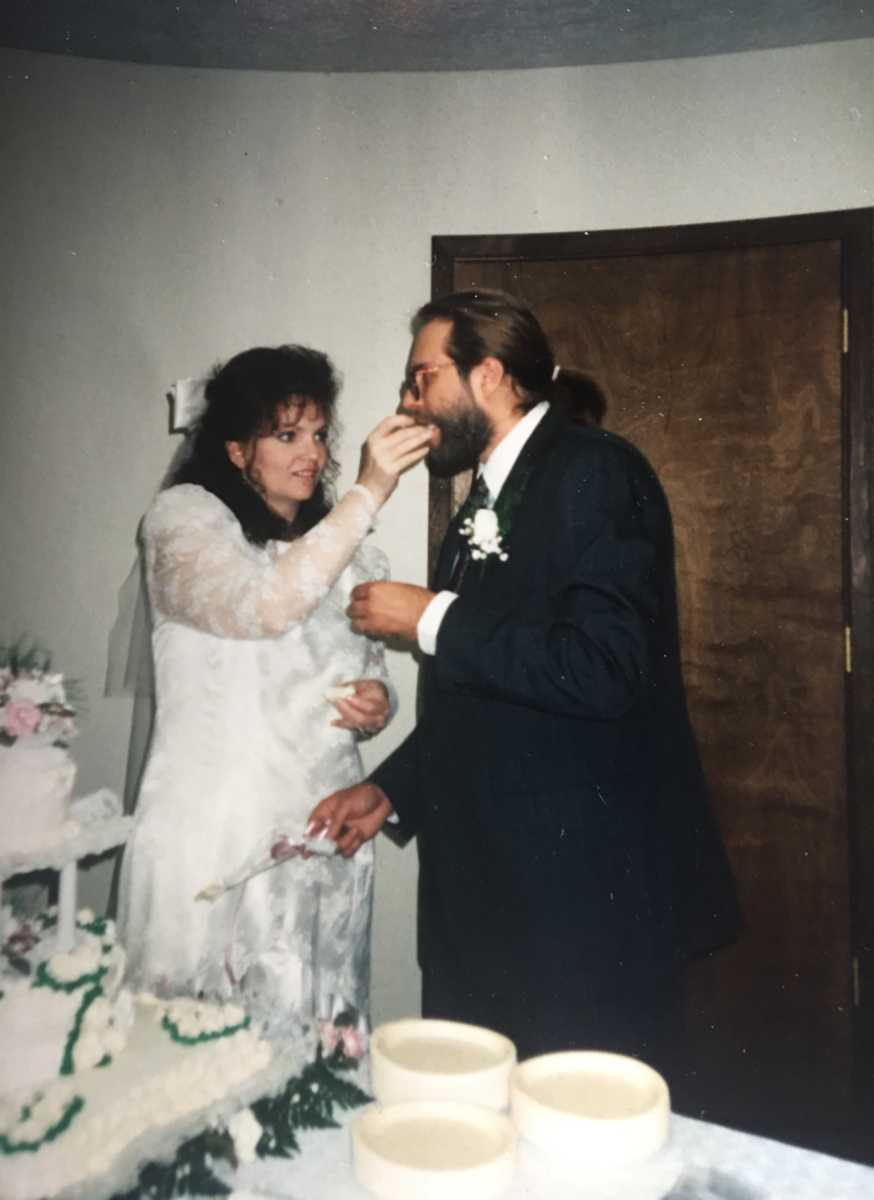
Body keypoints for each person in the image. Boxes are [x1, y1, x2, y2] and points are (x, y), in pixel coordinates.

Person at [307, 291, 741, 1064]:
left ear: (493, 376)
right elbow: (486, 701)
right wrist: (394, 788)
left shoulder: (597, 470)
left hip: (582, 906)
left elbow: (606, 669)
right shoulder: (479, 503)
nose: (409, 401)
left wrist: (431, 618)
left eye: (421, 378)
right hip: (488, 900)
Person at [117, 344, 434, 1042]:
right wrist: (370, 490)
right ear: (236, 450)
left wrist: (377, 702)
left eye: (319, 434)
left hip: (324, 823)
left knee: (312, 1051)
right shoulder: (183, 523)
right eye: (286, 435)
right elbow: (263, 606)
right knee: (198, 1055)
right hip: (219, 829)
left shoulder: (345, 550)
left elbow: (361, 666)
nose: (313, 453)